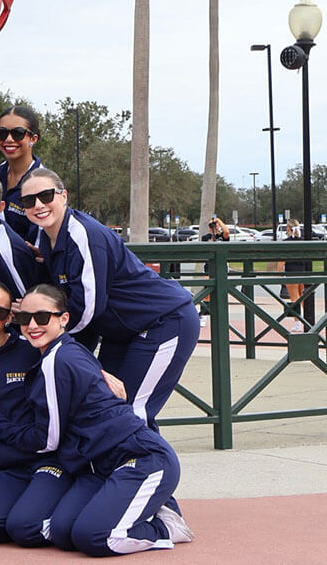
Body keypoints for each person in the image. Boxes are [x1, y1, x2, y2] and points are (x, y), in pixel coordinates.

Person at [0, 285, 193, 555]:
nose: (32, 325)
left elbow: (46, 441)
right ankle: (130, 508)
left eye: (43, 317)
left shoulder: (56, 361)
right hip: (99, 465)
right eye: (24, 318)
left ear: (64, 319)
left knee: (96, 538)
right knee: (64, 532)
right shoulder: (64, 350)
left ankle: (166, 526)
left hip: (143, 458)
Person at [23, 167, 198, 430]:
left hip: (164, 321)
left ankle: (149, 469)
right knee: (102, 403)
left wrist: (59, 345)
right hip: (121, 331)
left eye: (46, 195)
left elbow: (87, 310)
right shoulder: (45, 237)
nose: (38, 205)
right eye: (29, 200)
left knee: (132, 411)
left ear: (64, 196)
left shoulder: (83, 234)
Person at [0, 281, 66, 545]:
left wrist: (102, 373)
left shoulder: (31, 350)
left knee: (25, 528)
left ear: (9, 317)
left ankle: (72, 515)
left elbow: (70, 360)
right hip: (6, 465)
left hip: (47, 459)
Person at [0, 104, 44, 233]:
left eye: (18, 133)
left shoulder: (43, 184)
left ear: (33, 138)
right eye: (2, 133)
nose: (9, 139)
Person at [280, 219, 308, 333]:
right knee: (303, 298)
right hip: (302, 270)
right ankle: (307, 320)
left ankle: (298, 323)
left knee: (294, 299)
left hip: (291, 271)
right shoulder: (302, 241)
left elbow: (281, 260)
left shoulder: (286, 242)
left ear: (288, 229)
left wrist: (278, 273)